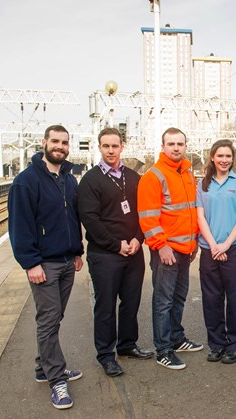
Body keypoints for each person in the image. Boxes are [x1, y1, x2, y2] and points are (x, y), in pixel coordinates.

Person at [8, 125, 84, 410]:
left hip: (66, 260)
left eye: (64, 142)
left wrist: (77, 250)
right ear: (44, 143)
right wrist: (30, 263)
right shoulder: (26, 181)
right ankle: (56, 380)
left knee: (55, 317)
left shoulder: (68, 179)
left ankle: (43, 367)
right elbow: (20, 225)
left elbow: (73, 217)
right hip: (44, 265)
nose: (60, 146)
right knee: (49, 320)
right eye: (55, 141)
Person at [78, 127, 153, 378]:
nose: (111, 150)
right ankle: (106, 355)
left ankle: (127, 345)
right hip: (105, 255)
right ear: (99, 147)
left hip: (133, 251)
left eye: (115, 146)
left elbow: (144, 212)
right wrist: (116, 245)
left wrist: (137, 239)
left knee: (131, 303)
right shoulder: (90, 180)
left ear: (123, 147)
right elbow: (90, 219)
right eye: (106, 146)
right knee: (106, 307)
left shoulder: (133, 177)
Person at [137, 127, 203, 370]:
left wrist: (194, 241)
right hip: (166, 250)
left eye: (180, 143)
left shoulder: (187, 174)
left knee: (178, 297)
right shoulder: (153, 176)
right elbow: (148, 217)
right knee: (163, 300)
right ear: (162, 147)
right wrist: (161, 246)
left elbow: (191, 211)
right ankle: (163, 349)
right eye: (171, 143)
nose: (176, 147)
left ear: (186, 147)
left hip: (185, 249)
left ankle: (176, 338)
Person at [197, 139, 236, 365]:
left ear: (233, 158)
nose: (224, 160)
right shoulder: (203, 184)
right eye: (220, 156)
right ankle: (216, 343)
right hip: (209, 249)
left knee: (235, 298)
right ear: (212, 157)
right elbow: (200, 217)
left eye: (228, 156)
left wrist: (226, 245)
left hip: (234, 249)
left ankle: (235, 344)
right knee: (211, 299)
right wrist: (213, 245)